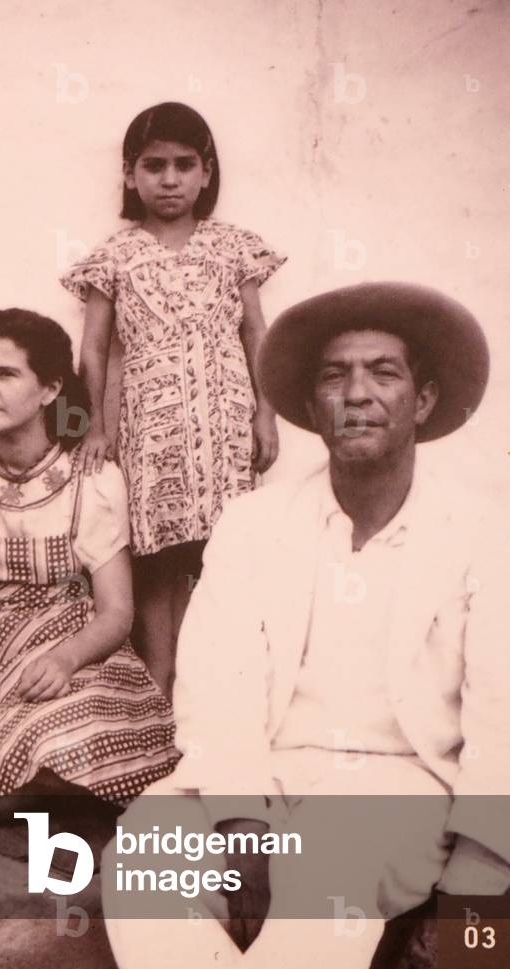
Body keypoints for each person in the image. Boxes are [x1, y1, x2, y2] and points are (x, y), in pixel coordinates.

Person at [103, 283, 508, 968]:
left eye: (383, 371)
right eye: (333, 375)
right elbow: (214, 681)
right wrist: (240, 821)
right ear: (312, 407)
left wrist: (481, 865)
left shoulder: (480, 530)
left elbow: (502, 706)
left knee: (323, 876)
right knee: (142, 856)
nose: (356, 392)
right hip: (263, 773)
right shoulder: (254, 523)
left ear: (425, 399)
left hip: (399, 781)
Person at [0, 308, 177, 830]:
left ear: (50, 389)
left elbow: (118, 611)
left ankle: (47, 793)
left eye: (6, 374)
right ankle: (42, 795)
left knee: (71, 731)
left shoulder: (94, 479)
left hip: (80, 653)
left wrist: (65, 659)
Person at [61, 102, 285, 695]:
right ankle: (160, 682)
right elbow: (95, 349)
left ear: (206, 173)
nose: (169, 179)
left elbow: (257, 334)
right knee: (157, 557)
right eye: (153, 165)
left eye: (184, 165)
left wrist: (266, 412)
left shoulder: (234, 248)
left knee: (218, 553)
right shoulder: (114, 256)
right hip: (150, 430)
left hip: (226, 426)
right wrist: (95, 427)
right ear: (131, 175)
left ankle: (208, 680)